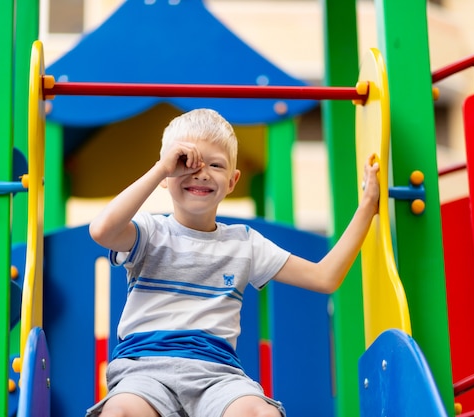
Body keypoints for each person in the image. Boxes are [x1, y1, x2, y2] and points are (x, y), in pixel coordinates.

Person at [87, 108, 379, 417]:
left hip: (217, 376)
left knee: (260, 413)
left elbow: (325, 277)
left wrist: (367, 208)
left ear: (232, 181)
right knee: (120, 412)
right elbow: (102, 230)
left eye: (216, 165)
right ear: (168, 175)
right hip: (144, 371)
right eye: (185, 163)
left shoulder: (244, 243)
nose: (201, 173)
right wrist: (161, 168)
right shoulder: (150, 232)